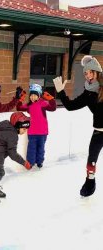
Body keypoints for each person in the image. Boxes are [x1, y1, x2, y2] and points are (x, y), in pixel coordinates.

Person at [53, 55, 103, 197]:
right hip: (99, 132)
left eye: (90, 72)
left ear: (96, 71)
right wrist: (61, 92)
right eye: (85, 74)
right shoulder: (88, 93)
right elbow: (70, 106)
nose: (88, 76)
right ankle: (90, 184)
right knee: (91, 161)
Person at [0, 112, 32, 203]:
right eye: (24, 129)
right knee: (0, 172)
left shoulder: (8, 128)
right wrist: (24, 162)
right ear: (17, 126)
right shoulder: (12, 135)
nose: (25, 131)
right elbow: (13, 154)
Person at [16, 83, 56, 168]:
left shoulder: (43, 103)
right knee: (31, 148)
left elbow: (53, 108)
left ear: (39, 96)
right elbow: (19, 108)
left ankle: (39, 162)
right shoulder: (29, 105)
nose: (32, 97)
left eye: (35, 95)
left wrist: (51, 99)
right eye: (31, 95)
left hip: (42, 132)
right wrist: (20, 98)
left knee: (41, 148)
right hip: (32, 131)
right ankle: (30, 163)